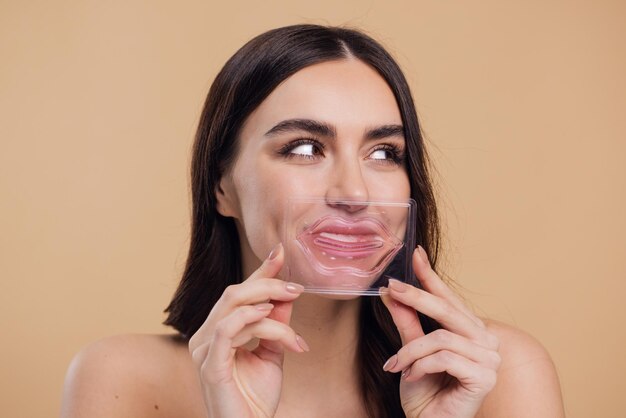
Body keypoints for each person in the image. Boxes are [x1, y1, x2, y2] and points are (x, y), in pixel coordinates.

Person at [60, 24, 565, 418]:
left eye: (385, 153)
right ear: (222, 187)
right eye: (304, 148)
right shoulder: (121, 381)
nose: (354, 193)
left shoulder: (499, 373)